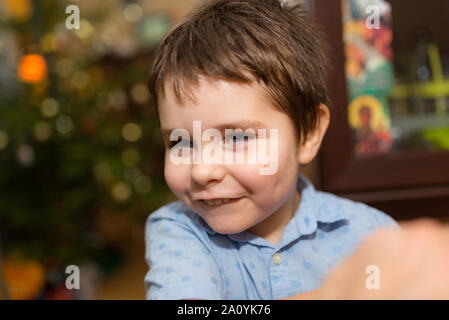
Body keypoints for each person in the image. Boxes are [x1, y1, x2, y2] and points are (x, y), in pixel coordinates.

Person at [144, 0, 449, 299]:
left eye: (236, 139)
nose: (202, 171)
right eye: (181, 142)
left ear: (308, 134)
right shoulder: (178, 231)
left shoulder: (370, 232)